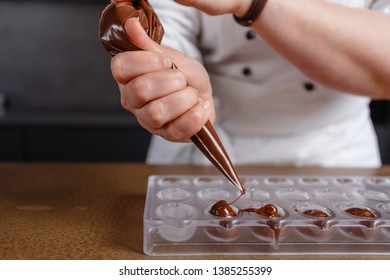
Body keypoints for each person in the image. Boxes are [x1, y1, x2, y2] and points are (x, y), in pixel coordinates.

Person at [110, 0, 390, 167]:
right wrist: (169, 76)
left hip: (339, 160)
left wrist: (254, 4)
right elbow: (165, 30)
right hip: (200, 159)